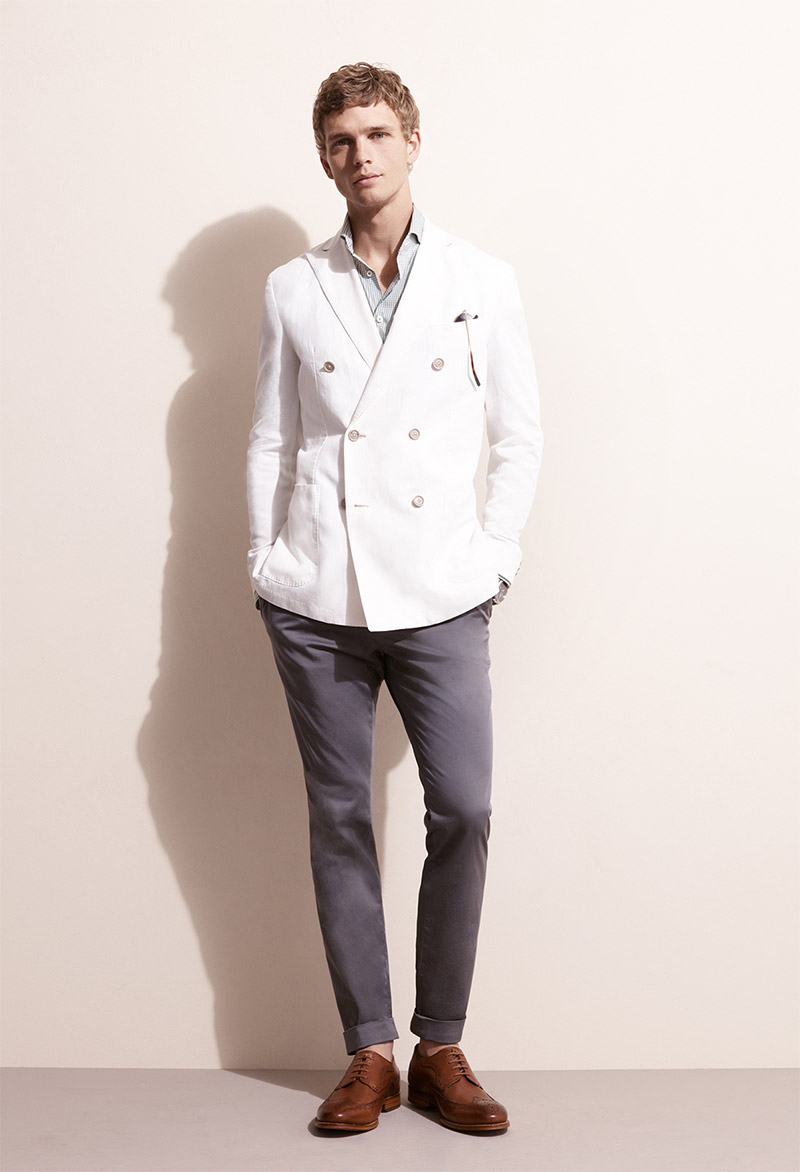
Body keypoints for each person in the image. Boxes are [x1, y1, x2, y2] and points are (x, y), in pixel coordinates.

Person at [247, 62, 542, 1133]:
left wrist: (492, 558)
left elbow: (520, 436)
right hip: (319, 590)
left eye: (376, 133)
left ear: (412, 141)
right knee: (338, 817)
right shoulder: (294, 286)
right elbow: (272, 437)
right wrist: (266, 562)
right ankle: (368, 1051)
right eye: (340, 140)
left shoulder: (482, 278)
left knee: (462, 807)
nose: (359, 154)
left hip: (441, 588)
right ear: (323, 158)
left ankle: (441, 1044)